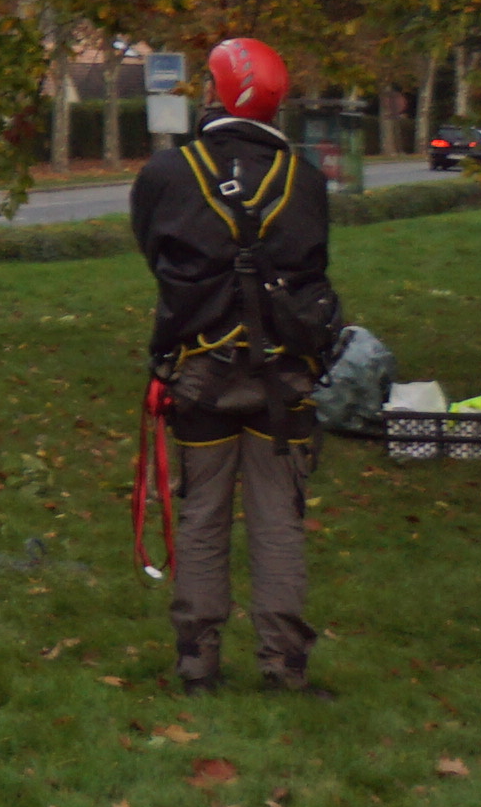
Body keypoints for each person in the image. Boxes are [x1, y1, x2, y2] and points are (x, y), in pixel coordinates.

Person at [133, 35, 340, 692]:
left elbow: (156, 254)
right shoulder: (304, 181)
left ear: (213, 94)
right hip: (283, 378)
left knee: (202, 515)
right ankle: (284, 665)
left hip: (202, 374)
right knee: (280, 519)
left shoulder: (167, 175)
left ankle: (198, 659)